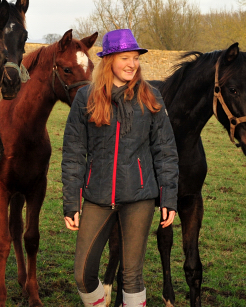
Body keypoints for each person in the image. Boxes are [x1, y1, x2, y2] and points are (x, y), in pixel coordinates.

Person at [61, 29, 178, 307]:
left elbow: (166, 151)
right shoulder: (85, 98)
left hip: (139, 197)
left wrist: (168, 197)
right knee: (82, 274)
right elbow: (74, 153)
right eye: (125, 57)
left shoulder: (151, 97)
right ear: (109, 60)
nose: (132, 64)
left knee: (132, 276)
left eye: (135, 58)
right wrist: (71, 202)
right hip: (97, 198)